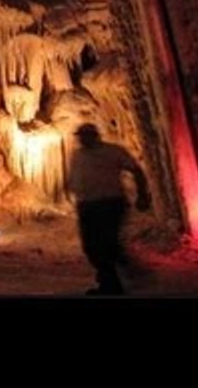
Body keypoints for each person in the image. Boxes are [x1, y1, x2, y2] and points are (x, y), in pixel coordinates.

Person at [66, 123, 151, 295]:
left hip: (110, 203)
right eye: (80, 136)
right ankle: (118, 277)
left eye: (85, 135)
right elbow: (75, 177)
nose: (82, 139)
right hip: (87, 205)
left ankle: (112, 283)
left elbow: (135, 170)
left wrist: (142, 194)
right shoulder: (77, 155)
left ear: (95, 135)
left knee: (106, 244)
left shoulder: (113, 151)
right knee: (91, 246)